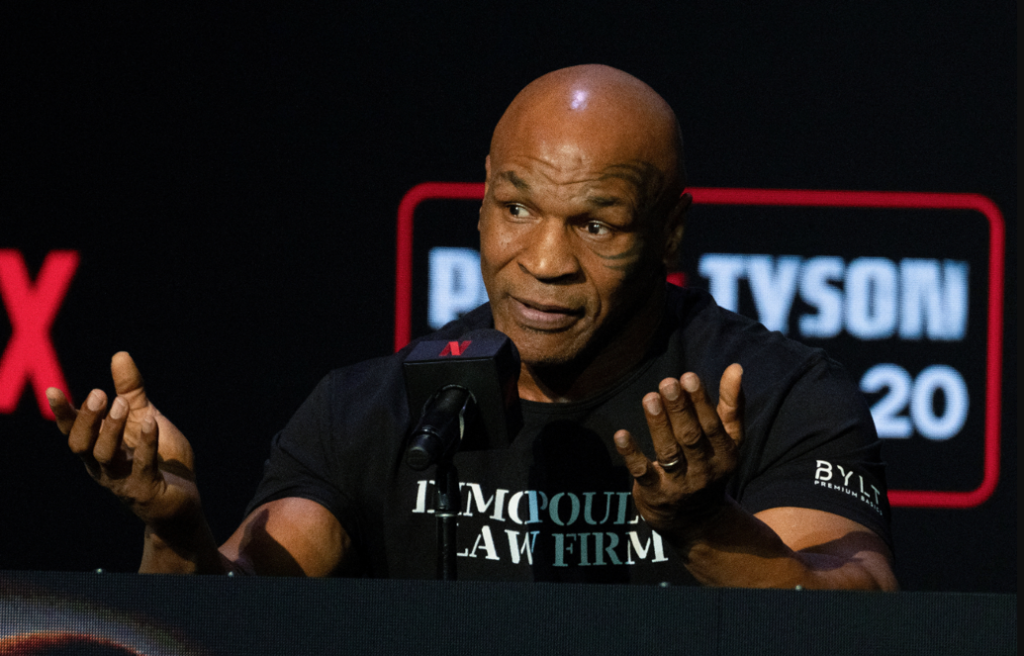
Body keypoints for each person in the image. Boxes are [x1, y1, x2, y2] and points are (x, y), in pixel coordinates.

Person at [48, 65, 898, 589]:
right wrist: (174, 532)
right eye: (517, 207)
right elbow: (232, 623)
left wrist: (708, 531)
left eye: (596, 224)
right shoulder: (369, 412)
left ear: (669, 232)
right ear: (484, 193)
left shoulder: (775, 397)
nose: (544, 260)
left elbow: (859, 612)